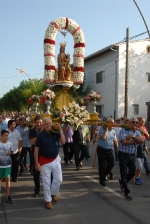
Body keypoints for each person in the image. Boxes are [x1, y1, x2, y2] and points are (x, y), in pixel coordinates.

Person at [34, 118, 65, 209]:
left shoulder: (56, 133)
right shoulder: (40, 136)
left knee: (58, 179)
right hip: (44, 161)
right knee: (46, 182)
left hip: (55, 159)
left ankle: (53, 193)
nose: (48, 125)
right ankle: (48, 200)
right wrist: (36, 163)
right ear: (43, 125)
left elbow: (63, 142)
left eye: (50, 123)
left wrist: (61, 131)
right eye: (46, 124)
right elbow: (36, 150)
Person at [118, 117, 144, 201]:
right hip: (123, 155)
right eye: (133, 122)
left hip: (132, 155)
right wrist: (135, 141)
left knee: (132, 172)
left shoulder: (136, 132)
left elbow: (142, 140)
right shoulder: (123, 130)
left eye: (137, 122)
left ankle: (122, 182)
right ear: (129, 123)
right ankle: (127, 192)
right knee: (124, 173)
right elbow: (124, 141)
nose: (135, 124)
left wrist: (132, 137)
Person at [97, 118, 118, 187]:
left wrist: (118, 148)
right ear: (107, 123)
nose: (112, 124)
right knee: (102, 165)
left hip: (109, 150)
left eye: (113, 122)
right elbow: (103, 137)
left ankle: (105, 174)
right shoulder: (102, 129)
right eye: (110, 123)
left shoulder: (113, 131)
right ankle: (102, 180)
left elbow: (115, 140)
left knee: (111, 164)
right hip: (101, 149)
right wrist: (106, 129)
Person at [29, 115, 43, 197]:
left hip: (44, 154)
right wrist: (40, 134)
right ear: (35, 123)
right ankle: (37, 189)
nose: (39, 124)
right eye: (37, 122)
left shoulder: (45, 130)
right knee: (36, 173)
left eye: (40, 122)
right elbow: (33, 142)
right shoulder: (32, 131)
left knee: (47, 173)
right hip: (35, 154)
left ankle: (49, 190)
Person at [0, 130, 14, 203]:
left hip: (7, 164)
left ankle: (7, 196)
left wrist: (10, 153)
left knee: (7, 179)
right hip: (0, 165)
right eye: (4, 135)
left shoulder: (10, 144)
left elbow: (12, 152)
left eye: (7, 135)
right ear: (1, 136)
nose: (6, 137)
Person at [135, 117, 150, 184]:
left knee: (142, 162)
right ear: (139, 121)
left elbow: (147, 135)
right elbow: (139, 132)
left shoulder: (144, 127)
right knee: (139, 165)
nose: (143, 122)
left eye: (144, 121)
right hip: (136, 145)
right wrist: (144, 132)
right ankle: (136, 177)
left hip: (142, 144)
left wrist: (148, 153)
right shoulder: (136, 127)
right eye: (142, 121)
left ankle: (138, 177)